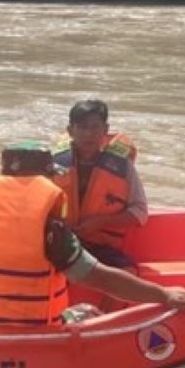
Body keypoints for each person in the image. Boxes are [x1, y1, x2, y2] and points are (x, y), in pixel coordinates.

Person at [0, 142, 185, 328]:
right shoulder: (48, 228)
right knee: (89, 313)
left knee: (80, 310)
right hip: (25, 330)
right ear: (42, 176)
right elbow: (100, 277)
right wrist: (164, 295)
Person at [52, 99, 148, 269]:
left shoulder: (123, 168)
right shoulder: (52, 164)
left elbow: (139, 213)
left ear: (105, 130)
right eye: (82, 127)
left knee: (128, 273)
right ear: (70, 131)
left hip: (100, 247)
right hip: (59, 242)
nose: (89, 134)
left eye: (95, 127)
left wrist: (101, 222)